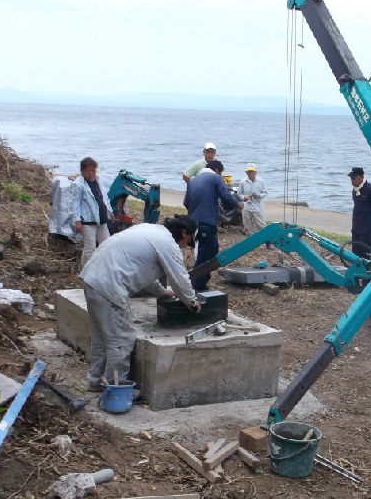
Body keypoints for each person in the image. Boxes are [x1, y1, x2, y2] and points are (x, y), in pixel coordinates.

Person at [80, 216, 201, 394]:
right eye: (188, 241)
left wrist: (163, 292)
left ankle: (96, 380)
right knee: (122, 338)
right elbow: (180, 278)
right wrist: (191, 302)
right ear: (184, 232)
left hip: (92, 277)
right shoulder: (168, 244)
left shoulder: (151, 232)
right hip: (109, 284)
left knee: (101, 338)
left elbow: (143, 271)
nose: (185, 247)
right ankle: (116, 388)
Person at [183, 160, 244, 291]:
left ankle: (196, 282)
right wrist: (237, 204)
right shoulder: (216, 178)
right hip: (206, 222)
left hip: (192, 222)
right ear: (217, 170)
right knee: (206, 255)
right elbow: (226, 197)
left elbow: (186, 202)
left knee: (207, 249)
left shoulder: (193, 181)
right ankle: (197, 285)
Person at [68, 157, 112, 269]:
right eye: (88, 171)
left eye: (93, 170)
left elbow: (104, 197)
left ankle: (104, 269)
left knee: (107, 245)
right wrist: (77, 221)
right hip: (87, 221)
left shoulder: (98, 180)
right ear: (82, 171)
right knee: (90, 249)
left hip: (101, 219)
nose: (91, 173)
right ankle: (86, 272)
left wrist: (109, 210)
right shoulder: (78, 184)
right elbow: (75, 204)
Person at [348, 166, 371, 259]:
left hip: (367, 227)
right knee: (355, 251)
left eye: (353, 178)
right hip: (357, 226)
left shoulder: (370, 190)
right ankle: (357, 270)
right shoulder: (355, 190)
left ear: (360, 178)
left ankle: (369, 269)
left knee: (366, 251)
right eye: (351, 178)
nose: (352, 181)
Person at [239, 163, 269, 235]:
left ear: (256, 172)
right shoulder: (243, 182)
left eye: (252, 171)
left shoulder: (261, 181)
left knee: (261, 225)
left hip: (257, 206)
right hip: (246, 207)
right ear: (246, 172)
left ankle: (267, 242)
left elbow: (265, 193)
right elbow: (239, 194)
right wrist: (244, 197)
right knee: (247, 227)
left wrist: (258, 196)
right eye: (249, 171)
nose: (250, 173)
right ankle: (250, 242)